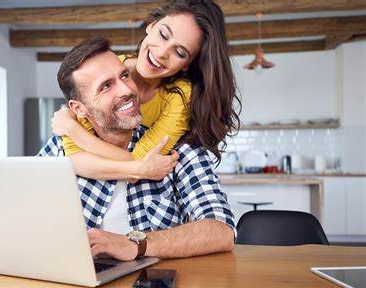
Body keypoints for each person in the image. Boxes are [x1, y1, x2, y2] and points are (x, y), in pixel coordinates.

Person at [38, 38, 235, 261]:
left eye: (124, 76)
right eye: (106, 86)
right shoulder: (58, 150)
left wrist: (135, 244)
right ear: (79, 109)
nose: (127, 90)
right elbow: (22, 214)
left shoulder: (179, 151)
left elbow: (222, 231)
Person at [51, 0, 241, 182]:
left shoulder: (180, 96)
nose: (161, 53)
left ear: (187, 64)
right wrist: (138, 169)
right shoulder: (108, 65)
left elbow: (141, 158)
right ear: (151, 25)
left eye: (180, 53)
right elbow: (74, 158)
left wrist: (72, 129)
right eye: (163, 35)